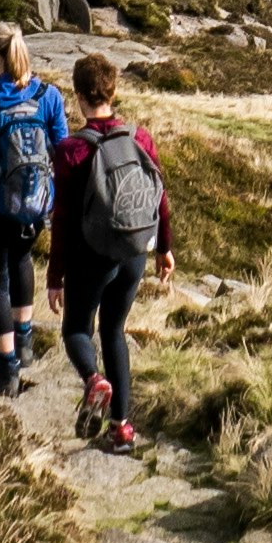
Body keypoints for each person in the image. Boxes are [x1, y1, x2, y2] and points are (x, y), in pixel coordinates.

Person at [53, 50, 178, 453]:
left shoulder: (71, 150)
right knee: (114, 331)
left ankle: (94, 380)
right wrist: (165, 249)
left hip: (92, 255)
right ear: (113, 90)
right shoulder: (139, 138)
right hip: (134, 250)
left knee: (76, 329)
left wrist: (55, 276)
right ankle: (122, 430)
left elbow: (64, 220)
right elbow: (159, 194)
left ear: (79, 96)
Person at [0, 24, 72, 398]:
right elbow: (63, 151)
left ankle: (7, 371)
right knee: (22, 262)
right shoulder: (48, 95)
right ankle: (25, 345)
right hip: (36, 205)